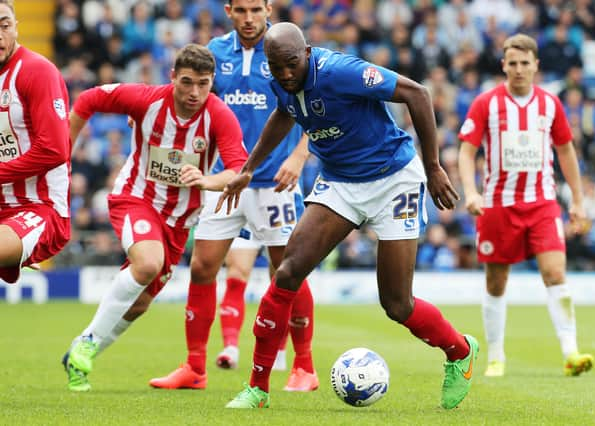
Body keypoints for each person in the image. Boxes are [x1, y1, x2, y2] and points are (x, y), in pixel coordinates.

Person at [219, 22, 478, 410]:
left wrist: (433, 166)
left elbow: (416, 93)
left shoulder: (342, 71)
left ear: (306, 52)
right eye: (277, 67)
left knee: (396, 305)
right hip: (340, 182)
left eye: (291, 64)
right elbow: (283, 113)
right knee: (288, 271)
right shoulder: (279, 80)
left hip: (394, 180)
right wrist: (250, 168)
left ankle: (459, 351)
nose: (285, 74)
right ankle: (258, 388)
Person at [148, 0, 318, 392]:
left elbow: (316, 104)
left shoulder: (285, 50)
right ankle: (194, 367)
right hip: (226, 180)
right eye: (240, 10)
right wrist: (147, 110)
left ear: (269, 9)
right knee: (203, 268)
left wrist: (298, 153)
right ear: (228, 10)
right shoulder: (215, 54)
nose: (248, 18)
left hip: (275, 182)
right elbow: (188, 92)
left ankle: (303, 367)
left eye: (256, 9)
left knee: (287, 272)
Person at [61, 43, 248, 392]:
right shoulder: (146, 100)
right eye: (187, 82)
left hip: (179, 221)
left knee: (140, 302)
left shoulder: (219, 116)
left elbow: (237, 170)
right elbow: (88, 100)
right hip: (137, 198)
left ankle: (78, 353)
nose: (195, 92)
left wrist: (207, 180)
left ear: (212, 82)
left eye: (203, 84)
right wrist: (64, 154)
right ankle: (86, 342)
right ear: (173, 76)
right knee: (148, 263)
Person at [457, 33, 594, 378]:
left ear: (536, 66)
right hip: (498, 205)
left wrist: (577, 200)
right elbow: (466, 150)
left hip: (542, 203)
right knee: (496, 282)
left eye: (525, 63)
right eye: (512, 63)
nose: (518, 70)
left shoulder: (550, 104)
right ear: (504, 65)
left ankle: (570, 352)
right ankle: (496, 356)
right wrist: (471, 193)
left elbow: (566, 150)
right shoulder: (486, 103)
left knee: (555, 273)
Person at [0, 0, 71, 287]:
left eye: (4, 25)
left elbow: (54, 149)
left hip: (39, 206)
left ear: (17, 26)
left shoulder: (36, 71)